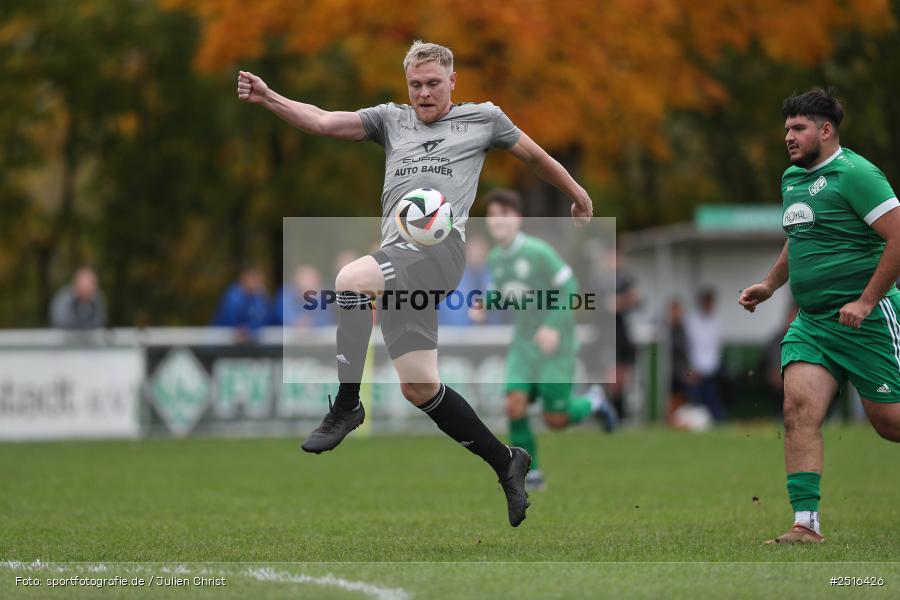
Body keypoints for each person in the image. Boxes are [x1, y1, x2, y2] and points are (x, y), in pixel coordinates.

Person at [238, 41, 593, 527]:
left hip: (440, 252)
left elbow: (534, 156)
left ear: (452, 82)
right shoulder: (390, 119)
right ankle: (507, 462)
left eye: (432, 83)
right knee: (420, 387)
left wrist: (576, 193)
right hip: (402, 262)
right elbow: (323, 121)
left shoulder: (484, 118)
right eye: (415, 85)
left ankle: (346, 405)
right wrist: (269, 97)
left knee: (349, 278)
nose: (424, 93)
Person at [740, 87, 900, 544]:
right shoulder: (792, 178)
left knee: (890, 425)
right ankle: (805, 525)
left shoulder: (858, 174)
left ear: (826, 130)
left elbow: (898, 237)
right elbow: (801, 234)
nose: (788, 136)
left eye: (799, 128)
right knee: (797, 410)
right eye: (787, 128)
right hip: (813, 323)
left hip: (867, 320)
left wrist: (867, 300)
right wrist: (770, 285)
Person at [480, 189, 615, 491]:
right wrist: (485, 303)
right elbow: (507, 292)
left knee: (556, 418)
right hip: (524, 344)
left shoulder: (538, 252)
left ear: (517, 219)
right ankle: (532, 471)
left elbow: (570, 286)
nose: (496, 221)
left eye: (503, 214)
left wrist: (553, 325)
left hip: (556, 344)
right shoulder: (496, 258)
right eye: (491, 216)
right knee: (514, 405)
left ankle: (593, 401)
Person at [685, 289, 726, 422]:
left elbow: (716, 347)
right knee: (697, 403)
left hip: (712, 370)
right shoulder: (691, 321)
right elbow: (689, 346)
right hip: (696, 370)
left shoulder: (717, 321)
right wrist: (690, 367)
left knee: (713, 402)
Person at [212, 265, 270, 342]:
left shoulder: (259, 297)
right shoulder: (233, 295)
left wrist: (250, 329)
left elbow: (264, 319)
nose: (254, 282)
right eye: (252, 278)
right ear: (243, 279)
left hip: (249, 340)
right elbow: (228, 317)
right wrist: (239, 329)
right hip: (223, 339)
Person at [270, 264, 335, 328]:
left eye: (312, 280)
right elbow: (281, 314)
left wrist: (312, 323)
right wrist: (296, 321)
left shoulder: (322, 298)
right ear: (295, 281)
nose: (307, 283)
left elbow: (325, 320)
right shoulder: (286, 294)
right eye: (305, 279)